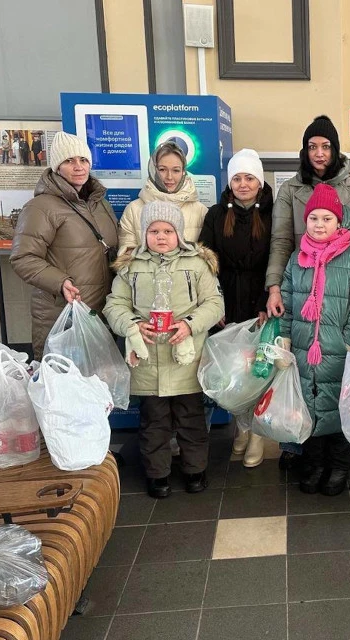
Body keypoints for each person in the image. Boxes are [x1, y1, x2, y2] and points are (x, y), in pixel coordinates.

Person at [265, 115, 350, 469]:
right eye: (312, 146)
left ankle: (337, 461)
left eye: (325, 146)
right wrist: (275, 286)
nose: (318, 153)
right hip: (301, 282)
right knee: (300, 377)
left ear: (335, 149)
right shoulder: (290, 189)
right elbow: (281, 240)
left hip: (339, 289)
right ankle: (299, 449)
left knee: (334, 386)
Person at [104, 201, 224, 498]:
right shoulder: (130, 267)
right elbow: (114, 304)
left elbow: (214, 304)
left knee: (191, 420)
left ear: (179, 233)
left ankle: (195, 469)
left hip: (186, 360)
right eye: (154, 230)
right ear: (144, 233)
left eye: (168, 231)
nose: (161, 237)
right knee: (153, 423)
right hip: (148, 362)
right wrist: (131, 324)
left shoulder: (196, 264)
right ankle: (158, 475)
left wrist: (190, 324)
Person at [279, 184, 350, 496]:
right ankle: (313, 464)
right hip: (303, 350)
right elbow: (287, 304)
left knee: (339, 409)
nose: (319, 224)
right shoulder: (296, 258)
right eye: (313, 218)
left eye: (326, 218)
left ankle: (340, 465)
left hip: (338, 350)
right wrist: (285, 337)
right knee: (309, 408)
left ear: (338, 222)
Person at [10, 131, 118, 359]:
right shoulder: (41, 207)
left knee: (97, 384)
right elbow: (23, 257)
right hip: (63, 313)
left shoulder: (100, 204)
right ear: (57, 167)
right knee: (64, 383)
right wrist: (60, 282)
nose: (78, 167)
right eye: (69, 161)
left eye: (83, 160)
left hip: (99, 312)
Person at [199, 148, 274, 467]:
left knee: (259, 370)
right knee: (233, 370)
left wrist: (265, 302)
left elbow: (277, 258)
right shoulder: (216, 215)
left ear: (259, 182)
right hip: (226, 300)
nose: (243, 184)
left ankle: (256, 433)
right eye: (237, 178)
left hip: (261, 303)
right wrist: (215, 303)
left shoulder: (274, 213)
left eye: (249, 178)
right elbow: (205, 261)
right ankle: (240, 429)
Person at [118, 141, 208, 255]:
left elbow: (205, 256)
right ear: (153, 170)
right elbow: (127, 256)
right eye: (162, 169)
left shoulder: (200, 211)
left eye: (176, 170)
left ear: (183, 172)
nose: (169, 177)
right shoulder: (133, 209)